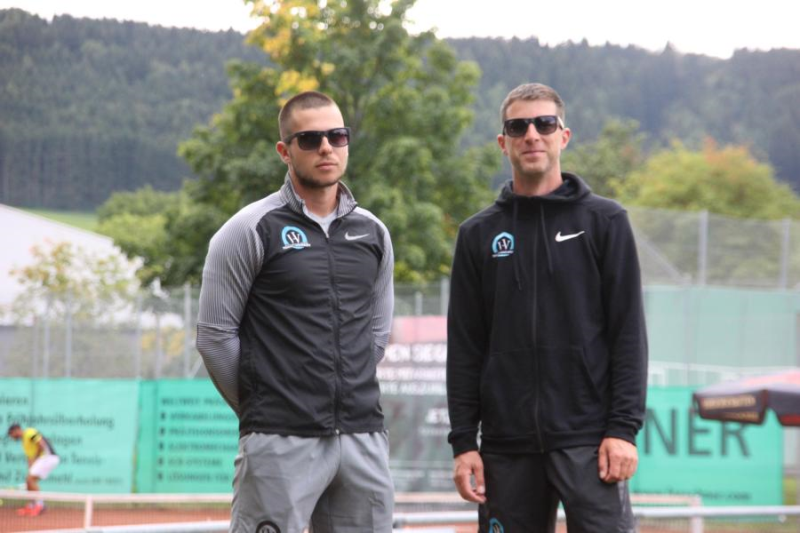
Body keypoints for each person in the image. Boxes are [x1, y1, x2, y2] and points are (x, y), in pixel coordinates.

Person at [446, 83, 648, 532]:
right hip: (505, 447)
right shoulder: (477, 234)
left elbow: (628, 335)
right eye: (518, 127)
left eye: (544, 123)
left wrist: (622, 430)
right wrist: (464, 442)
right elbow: (464, 348)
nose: (532, 135)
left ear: (564, 136)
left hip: (589, 442)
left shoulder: (606, 222)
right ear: (503, 142)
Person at [196, 90, 395, 533]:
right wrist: (263, 407)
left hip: (362, 435)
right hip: (278, 438)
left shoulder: (374, 233)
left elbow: (376, 338)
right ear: (285, 151)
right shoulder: (248, 229)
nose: (326, 147)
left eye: (337, 136)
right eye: (310, 139)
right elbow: (214, 337)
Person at [7, 423, 60, 517]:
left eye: (11, 434)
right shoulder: (24, 442)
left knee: (30, 480)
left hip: (48, 457)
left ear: (16, 430)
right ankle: (32, 505)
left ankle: (40, 505)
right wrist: (31, 465)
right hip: (43, 459)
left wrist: (36, 458)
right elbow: (30, 457)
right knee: (29, 481)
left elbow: (41, 443)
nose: (11, 436)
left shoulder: (29, 432)